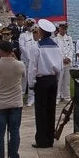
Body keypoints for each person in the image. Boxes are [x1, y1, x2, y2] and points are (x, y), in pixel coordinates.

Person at [0, 40, 25, 158]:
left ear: (1, 51)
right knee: (14, 131)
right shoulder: (19, 64)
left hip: (0, 103)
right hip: (15, 102)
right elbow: (23, 75)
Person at [28, 19, 62, 148]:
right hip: (53, 79)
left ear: (41, 32)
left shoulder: (37, 47)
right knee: (51, 109)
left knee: (41, 111)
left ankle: (42, 140)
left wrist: (31, 83)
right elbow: (60, 67)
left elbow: (33, 68)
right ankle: (50, 138)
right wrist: (56, 79)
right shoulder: (56, 46)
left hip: (42, 80)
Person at [54, 22, 74, 102]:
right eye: (62, 29)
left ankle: (67, 97)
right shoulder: (55, 39)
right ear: (59, 29)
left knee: (67, 81)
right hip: (60, 62)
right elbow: (56, 51)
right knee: (59, 81)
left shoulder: (69, 38)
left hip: (68, 62)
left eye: (65, 29)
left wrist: (69, 58)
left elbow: (71, 49)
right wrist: (63, 59)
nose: (63, 30)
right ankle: (57, 97)